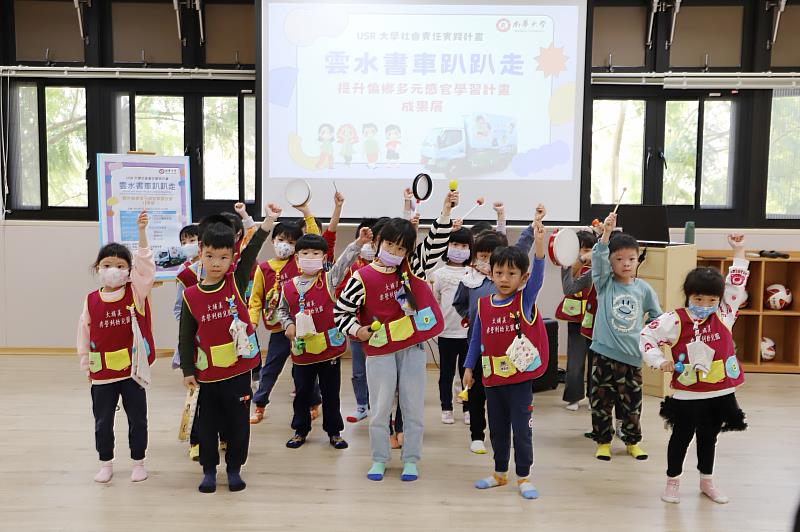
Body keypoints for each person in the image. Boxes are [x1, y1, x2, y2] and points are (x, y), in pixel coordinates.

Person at [335, 189, 457, 482]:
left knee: (412, 406)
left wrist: (445, 211)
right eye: (389, 244)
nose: (394, 252)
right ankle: (379, 458)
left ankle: (411, 459)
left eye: (401, 249)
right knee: (379, 409)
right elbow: (340, 314)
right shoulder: (361, 277)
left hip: (412, 347)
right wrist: (359, 331)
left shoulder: (410, 269)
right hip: (378, 350)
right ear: (377, 242)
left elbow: (434, 244)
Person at [640, 234, 749, 505]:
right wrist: (658, 360)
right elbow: (646, 337)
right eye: (698, 299)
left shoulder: (725, 314)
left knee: (709, 438)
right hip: (688, 393)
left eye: (711, 300)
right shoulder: (674, 319)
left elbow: (737, 280)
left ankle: (707, 482)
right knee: (681, 438)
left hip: (720, 391)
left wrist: (739, 251)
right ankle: (672, 482)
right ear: (689, 296)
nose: (704, 306)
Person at [179, 204, 279, 493]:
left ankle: (234, 468)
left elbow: (252, 249)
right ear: (200, 251)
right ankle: (209, 470)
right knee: (207, 425)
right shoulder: (190, 295)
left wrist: (268, 221)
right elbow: (186, 336)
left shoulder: (236, 281)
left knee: (237, 424)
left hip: (238, 371)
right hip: (207, 374)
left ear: (232, 257)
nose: (216, 263)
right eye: (210, 256)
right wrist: (188, 370)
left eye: (224, 257)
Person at [462, 221, 547, 500]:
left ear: (522, 278)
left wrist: (539, 245)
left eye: (512, 273)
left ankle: (524, 476)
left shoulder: (524, 301)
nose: (504, 278)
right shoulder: (483, 305)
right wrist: (468, 368)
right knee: (497, 429)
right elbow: (476, 339)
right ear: (490, 272)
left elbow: (538, 278)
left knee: (521, 430)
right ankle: (500, 473)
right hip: (491, 379)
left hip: (520, 381)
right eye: (499, 272)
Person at [278, 225, 373, 449]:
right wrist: (288, 324)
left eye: (316, 254)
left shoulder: (329, 280)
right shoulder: (287, 287)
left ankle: (334, 432)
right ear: (297, 257)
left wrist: (358, 243)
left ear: (323, 257)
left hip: (329, 350)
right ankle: (300, 430)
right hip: (302, 352)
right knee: (302, 393)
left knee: (331, 393)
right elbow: (281, 311)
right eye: (305, 253)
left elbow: (344, 262)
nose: (310, 257)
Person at [452, 209, 539, 454]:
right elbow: (460, 303)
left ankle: (510, 438)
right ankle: (477, 434)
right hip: (478, 349)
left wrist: (534, 228)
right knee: (476, 394)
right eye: (482, 256)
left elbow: (523, 249)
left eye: (490, 256)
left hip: (510, 352)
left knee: (507, 400)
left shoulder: (509, 282)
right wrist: (471, 319)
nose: (501, 275)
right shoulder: (469, 280)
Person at [77, 210, 154, 483]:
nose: (114, 270)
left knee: (138, 420)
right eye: (108, 264)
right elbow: (83, 334)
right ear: (98, 268)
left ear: (129, 271)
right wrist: (86, 364)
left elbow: (146, 266)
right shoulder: (91, 300)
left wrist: (142, 232)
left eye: (121, 266)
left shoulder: (136, 292)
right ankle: (106, 462)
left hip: (132, 371)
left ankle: (138, 462)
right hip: (102, 373)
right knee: (102, 421)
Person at [589, 212, 662, 461]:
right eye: (619, 259)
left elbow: (657, 317)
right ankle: (603, 442)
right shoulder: (604, 283)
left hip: (632, 358)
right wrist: (606, 234)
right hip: (603, 355)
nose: (626, 263)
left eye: (631, 258)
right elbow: (597, 258)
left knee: (632, 406)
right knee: (601, 404)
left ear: (637, 259)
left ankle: (632, 442)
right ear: (610, 262)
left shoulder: (644, 289)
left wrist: (650, 337)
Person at [248, 203, 322, 423]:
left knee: (306, 368)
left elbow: (315, 237)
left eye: (291, 242)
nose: (285, 246)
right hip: (278, 329)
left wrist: (307, 212)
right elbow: (255, 299)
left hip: (302, 327)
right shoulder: (264, 268)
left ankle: (314, 402)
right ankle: (259, 405)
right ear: (273, 241)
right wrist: (252, 323)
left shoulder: (299, 264)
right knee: (270, 368)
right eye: (282, 240)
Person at [339, 217, 389, 423]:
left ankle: (384, 408)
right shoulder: (352, 268)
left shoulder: (387, 267)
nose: (369, 246)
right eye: (364, 240)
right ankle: (362, 405)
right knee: (359, 371)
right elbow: (341, 295)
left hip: (384, 330)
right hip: (358, 329)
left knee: (384, 372)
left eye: (373, 241)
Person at [430, 227, 474, 425]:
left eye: (464, 245)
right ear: (447, 246)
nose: (459, 249)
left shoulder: (472, 273)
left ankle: (467, 407)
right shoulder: (438, 274)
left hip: (468, 334)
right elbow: (435, 301)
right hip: (446, 333)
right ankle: (446, 407)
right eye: (455, 244)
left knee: (467, 374)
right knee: (446, 374)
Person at [557, 230, 597, 411]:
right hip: (576, 319)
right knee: (575, 360)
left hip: (595, 320)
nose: (585, 253)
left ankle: (593, 396)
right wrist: (579, 262)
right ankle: (573, 397)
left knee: (596, 361)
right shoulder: (568, 263)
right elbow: (568, 287)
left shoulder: (598, 265)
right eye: (581, 249)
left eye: (588, 249)